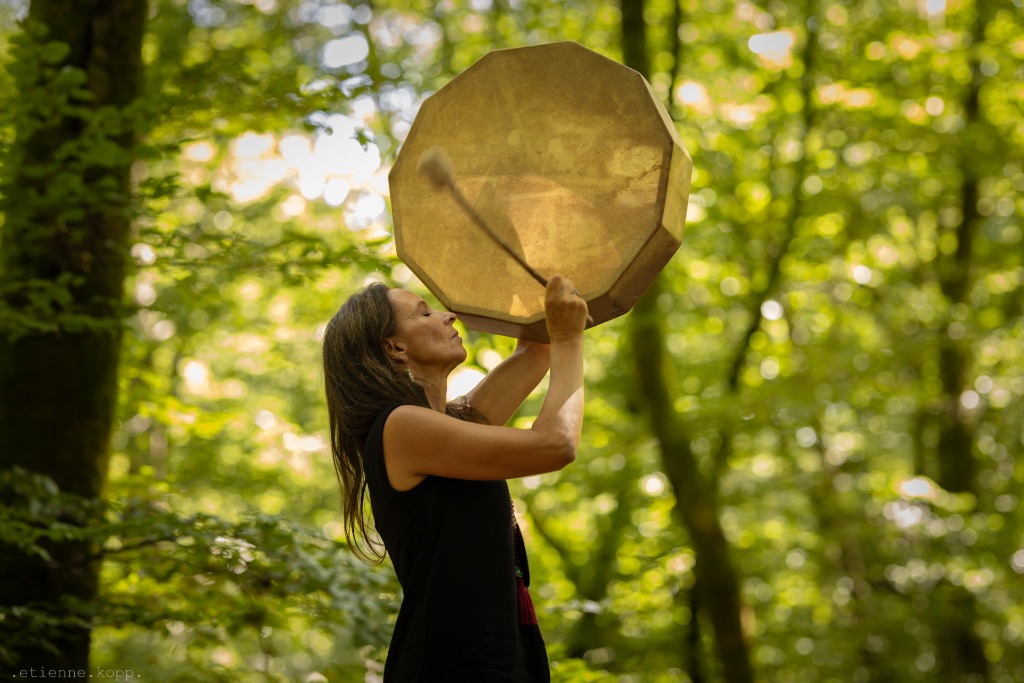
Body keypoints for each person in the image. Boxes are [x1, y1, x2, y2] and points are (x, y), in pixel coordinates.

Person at [322, 275, 587, 682]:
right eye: (424, 312)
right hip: (451, 663)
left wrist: (531, 275)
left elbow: (537, 346)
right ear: (395, 348)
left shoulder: (449, 421)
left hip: (499, 649)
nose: (447, 316)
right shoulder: (401, 427)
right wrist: (570, 339)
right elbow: (556, 444)